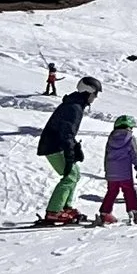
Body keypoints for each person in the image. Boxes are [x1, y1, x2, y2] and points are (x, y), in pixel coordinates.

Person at [34, 76, 101, 226]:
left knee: (75, 174)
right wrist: (70, 153)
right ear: (88, 92)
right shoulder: (74, 108)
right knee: (70, 176)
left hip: (56, 144)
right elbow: (66, 133)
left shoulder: (75, 104)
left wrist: (74, 148)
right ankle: (53, 212)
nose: (96, 97)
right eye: (95, 93)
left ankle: (65, 208)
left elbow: (66, 132)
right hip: (53, 146)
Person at [98, 116, 137, 225]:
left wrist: (107, 170)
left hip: (112, 171)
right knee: (129, 191)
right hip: (124, 172)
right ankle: (133, 211)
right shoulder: (130, 137)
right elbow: (134, 152)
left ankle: (104, 213)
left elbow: (107, 154)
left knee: (112, 191)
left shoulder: (111, 137)